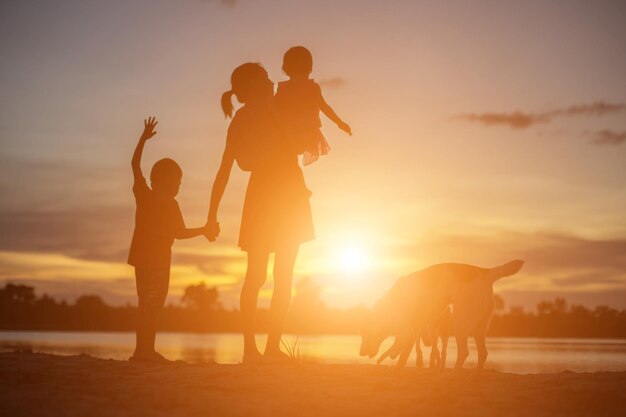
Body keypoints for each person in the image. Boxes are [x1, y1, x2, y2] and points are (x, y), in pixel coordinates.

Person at [206, 63, 314, 363]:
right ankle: (255, 350)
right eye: (264, 79)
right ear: (250, 88)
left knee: (276, 276)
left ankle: (266, 349)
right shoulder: (250, 116)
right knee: (263, 276)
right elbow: (226, 169)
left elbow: (299, 144)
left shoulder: (275, 108)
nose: (270, 82)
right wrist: (211, 215)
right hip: (272, 196)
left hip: (283, 195)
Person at [128, 117, 209, 363]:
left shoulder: (172, 206)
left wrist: (203, 230)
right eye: (176, 181)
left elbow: (179, 233)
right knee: (148, 306)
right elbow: (134, 164)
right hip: (148, 261)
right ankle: (143, 352)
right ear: (159, 180)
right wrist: (143, 138)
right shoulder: (145, 195)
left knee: (151, 307)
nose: (178, 186)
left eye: (180, 182)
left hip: (160, 261)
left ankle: (144, 351)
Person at [275, 46, 352, 166]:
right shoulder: (311, 87)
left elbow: (275, 109)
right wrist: (339, 122)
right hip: (303, 130)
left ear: (287, 68)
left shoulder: (283, 88)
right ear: (309, 67)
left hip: (288, 132)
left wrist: (339, 122)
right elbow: (324, 107)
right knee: (289, 161)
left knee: (288, 159)